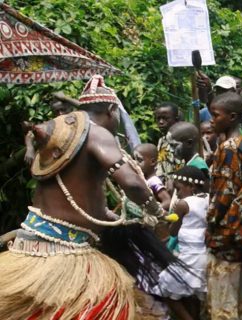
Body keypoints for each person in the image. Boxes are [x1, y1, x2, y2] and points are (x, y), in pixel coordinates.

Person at [0, 75, 167, 319]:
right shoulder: (98, 134)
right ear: (112, 111)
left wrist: (114, 218)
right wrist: (158, 213)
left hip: (30, 241)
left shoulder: (57, 129)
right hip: (66, 253)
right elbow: (132, 183)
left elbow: (77, 198)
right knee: (108, 307)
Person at [205, 92, 242, 320]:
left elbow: (223, 194)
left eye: (215, 115)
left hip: (226, 237)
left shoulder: (228, 148)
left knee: (223, 306)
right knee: (239, 302)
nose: (211, 120)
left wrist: (210, 221)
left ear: (232, 117)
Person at [154, 166, 209, 320]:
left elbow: (172, 232)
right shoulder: (208, 198)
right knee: (193, 295)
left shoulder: (183, 204)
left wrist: (165, 220)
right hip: (203, 255)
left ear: (191, 187)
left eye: (178, 189)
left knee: (165, 286)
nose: (177, 193)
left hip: (189, 258)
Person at [134, 143, 170, 210]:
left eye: (139, 160)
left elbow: (167, 201)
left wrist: (152, 212)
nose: (135, 163)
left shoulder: (153, 181)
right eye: (134, 159)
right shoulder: (144, 179)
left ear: (152, 162)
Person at [155, 101, 182, 182]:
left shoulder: (181, 141)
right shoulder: (162, 141)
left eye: (165, 118)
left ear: (176, 119)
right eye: (158, 118)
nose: (161, 122)